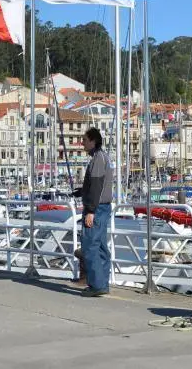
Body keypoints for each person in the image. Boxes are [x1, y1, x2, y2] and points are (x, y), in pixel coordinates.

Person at [72, 127, 114, 297]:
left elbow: (97, 186)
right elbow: (99, 185)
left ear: (92, 140)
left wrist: (90, 211)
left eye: (84, 139)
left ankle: (96, 285)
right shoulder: (104, 157)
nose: (82, 142)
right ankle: (102, 283)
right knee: (102, 246)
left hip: (97, 209)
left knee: (90, 246)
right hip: (104, 207)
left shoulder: (97, 159)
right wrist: (81, 192)